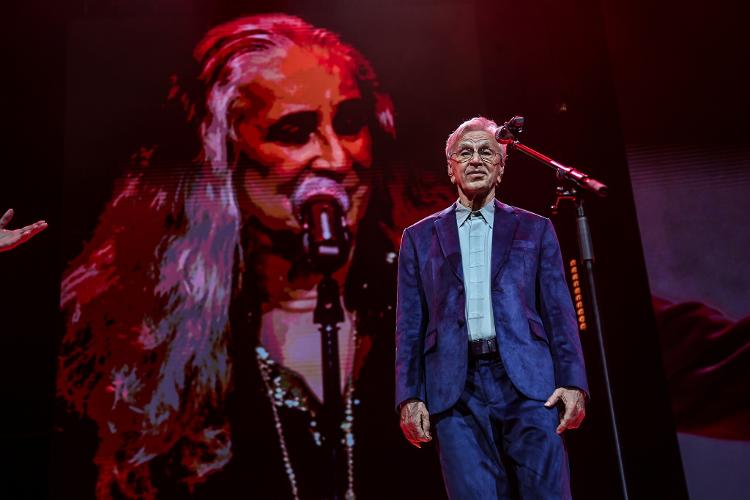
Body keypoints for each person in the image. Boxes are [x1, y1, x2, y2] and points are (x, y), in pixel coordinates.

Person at [56, 14, 444, 500]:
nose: (337, 159)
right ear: (223, 156)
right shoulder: (148, 332)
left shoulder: (424, 297)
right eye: (294, 131)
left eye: (348, 124)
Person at [395, 117, 589, 499]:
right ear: (451, 168)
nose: (476, 159)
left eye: (487, 152)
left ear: (501, 167)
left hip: (529, 382)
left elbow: (559, 313)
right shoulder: (418, 238)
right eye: (464, 152)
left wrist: (573, 382)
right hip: (454, 387)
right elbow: (409, 325)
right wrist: (409, 395)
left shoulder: (535, 229)